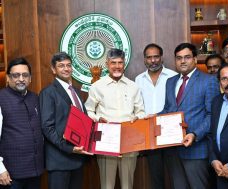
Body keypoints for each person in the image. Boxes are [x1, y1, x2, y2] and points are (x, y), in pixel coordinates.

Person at [159, 43, 220, 189]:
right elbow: (168, 109)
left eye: (187, 57)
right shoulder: (170, 82)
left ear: (195, 59)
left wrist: (194, 134)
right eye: (179, 58)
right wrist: (149, 119)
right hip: (173, 149)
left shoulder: (209, 81)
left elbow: (212, 115)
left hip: (196, 149)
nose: (183, 61)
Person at [85, 48, 145, 189]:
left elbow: (141, 112)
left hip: (129, 141)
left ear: (124, 64)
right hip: (106, 141)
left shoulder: (133, 87)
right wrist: (98, 118)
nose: (117, 66)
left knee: (127, 185)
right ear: (107, 64)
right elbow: (88, 110)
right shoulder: (96, 87)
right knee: (107, 185)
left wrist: (137, 117)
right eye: (113, 63)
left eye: (120, 62)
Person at [39, 52, 91, 189]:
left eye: (68, 65)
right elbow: (46, 127)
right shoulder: (48, 92)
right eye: (61, 66)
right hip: (60, 160)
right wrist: (68, 148)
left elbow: (82, 121)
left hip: (77, 158)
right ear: (53, 70)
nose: (66, 68)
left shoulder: (76, 91)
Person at [135, 43, 177, 189]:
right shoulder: (138, 79)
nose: (153, 60)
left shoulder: (173, 76)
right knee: (156, 177)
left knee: (176, 176)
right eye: (149, 57)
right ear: (144, 60)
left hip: (171, 132)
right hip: (149, 134)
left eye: (156, 57)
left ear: (162, 58)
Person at [0, 58, 44, 189]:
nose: (21, 79)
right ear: (8, 78)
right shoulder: (1, 99)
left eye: (25, 75)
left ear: (30, 78)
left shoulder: (35, 98)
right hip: (10, 175)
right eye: (15, 75)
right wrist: (0, 169)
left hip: (35, 171)